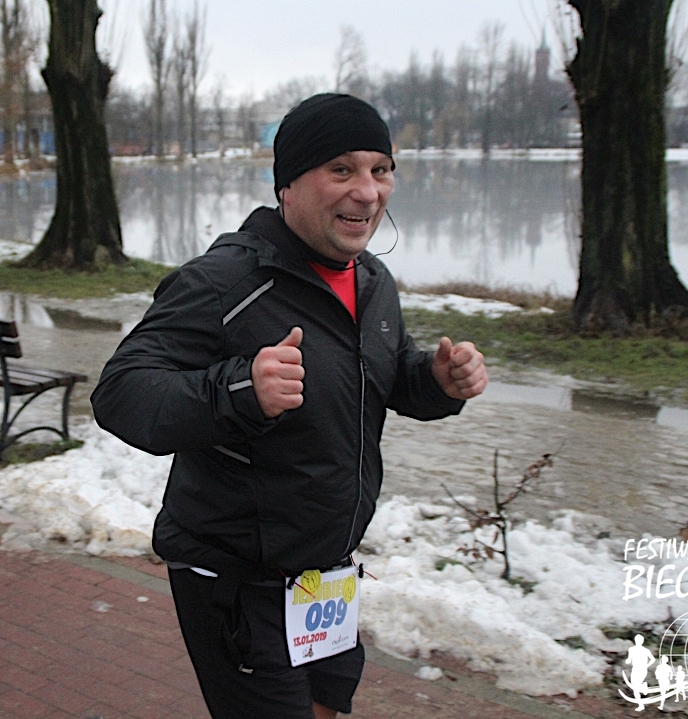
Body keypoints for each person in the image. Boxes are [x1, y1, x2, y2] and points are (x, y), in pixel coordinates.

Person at [91, 94, 487, 719]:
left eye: (381, 170)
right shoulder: (224, 281)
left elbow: (374, 378)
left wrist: (434, 380)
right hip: (236, 577)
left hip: (324, 580)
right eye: (341, 170)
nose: (367, 192)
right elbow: (121, 392)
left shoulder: (371, 281)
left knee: (324, 709)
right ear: (288, 184)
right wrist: (241, 389)